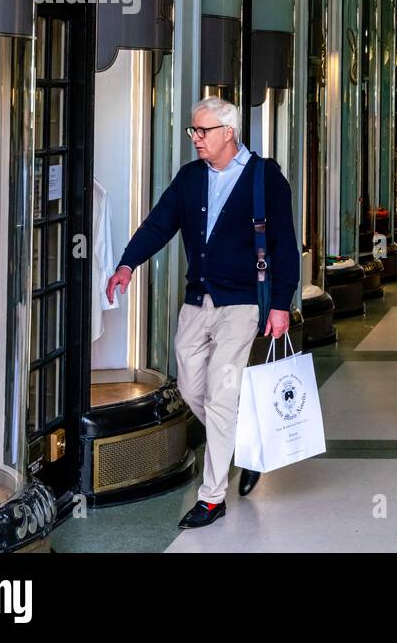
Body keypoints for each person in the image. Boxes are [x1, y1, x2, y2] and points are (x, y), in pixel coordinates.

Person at [106, 98, 299, 527]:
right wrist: (126, 263)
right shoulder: (191, 178)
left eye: (202, 131)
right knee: (193, 385)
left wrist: (281, 303)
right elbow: (159, 223)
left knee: (223, 388)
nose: (195, 138)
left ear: (228, 133)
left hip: (243, 301)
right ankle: (247, 443)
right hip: (199, 298)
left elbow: (285, 245)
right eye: (193, 131)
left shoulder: (265, 178)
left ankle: (212, 496)